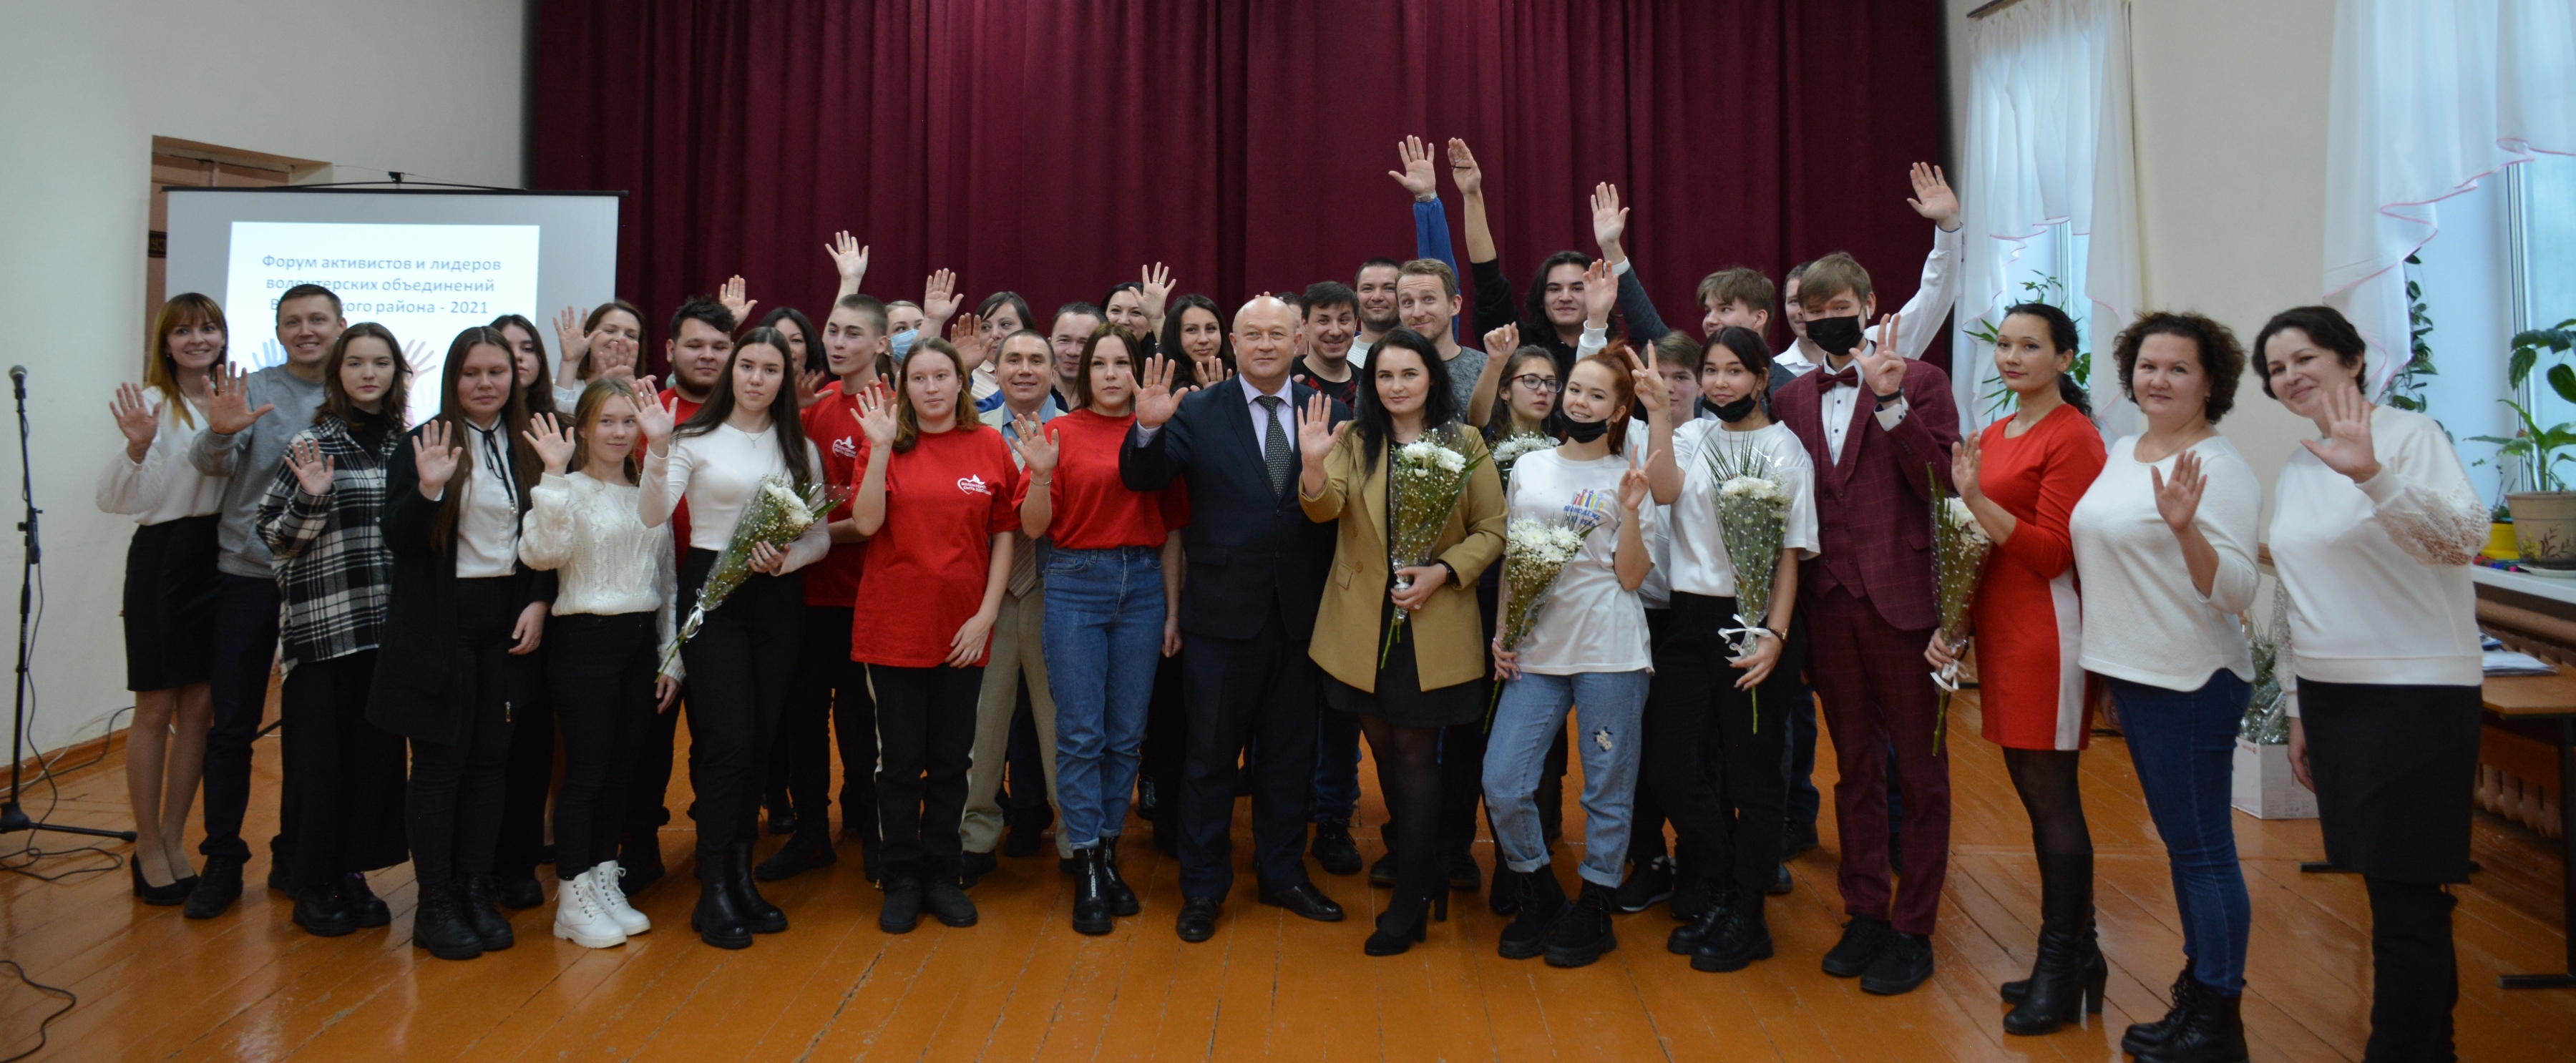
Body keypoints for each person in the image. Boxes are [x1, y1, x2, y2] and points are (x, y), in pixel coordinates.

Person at [2265, 305, 2484, 1063]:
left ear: (2352, 360)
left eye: (2304, 358)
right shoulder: (2299, 462)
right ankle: (2433, 1049)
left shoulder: (2411, 437)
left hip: (2416, 694)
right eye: (2276, 368)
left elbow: (2462, 542)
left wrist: (2376, 476)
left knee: (2407, 898)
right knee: (2391, 891)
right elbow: (2296, 594)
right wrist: (2297, 707)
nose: (2290, 376)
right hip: (2335, 696)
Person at [1121, 295, 1350, 942]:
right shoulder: (1196, 408)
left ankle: (1283, 876)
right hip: (1221, 618)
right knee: (1210, 760)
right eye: (1253, 334)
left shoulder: (1327, 408)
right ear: (1232, 343)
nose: (1267, 344)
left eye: (1279, 333)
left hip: (1302, 616)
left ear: (1299, 338)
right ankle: (1202, 889)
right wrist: (1147, 429)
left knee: (1288, 759)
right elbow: (1145, 478)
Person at [2069, 311, 2259, 1059]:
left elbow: (2239, 591)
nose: (2159, 379)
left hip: (2192, 679)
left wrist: (2186, 529)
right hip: (2139, 678)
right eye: (2149, 365)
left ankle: (2218, 1019)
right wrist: (2114, 673)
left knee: (2204, 850)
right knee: (2186, 849)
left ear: (2211, 381)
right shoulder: (2125, 450)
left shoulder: (2221, 467)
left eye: (2178, 368)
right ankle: (2201, 994)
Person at [1772, 253, 1961, 996]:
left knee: (1920, 772)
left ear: (1872, 303)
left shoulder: (1922, 381)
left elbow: (1945, 484)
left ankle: (1914, 926)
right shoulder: (1790, 401)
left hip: (1905, 606)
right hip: (1830, 604)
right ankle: (1865, 912)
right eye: (1815, 314)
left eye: (1841, 306)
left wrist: (1892, 408)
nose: (1829, 321)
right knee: (1853, 766)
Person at [1922, 304, 2109, 1033]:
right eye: (2004, 343)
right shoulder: (1995, 434)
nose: (2012, 356)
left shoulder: (2075, 436)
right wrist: (1956, 623)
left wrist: (1971, 498)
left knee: (2051, 795)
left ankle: (2062, 962)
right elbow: (1976, 546)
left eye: (2031, 346)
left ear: (2065, 359)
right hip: (2000, 627)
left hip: (2047, 629)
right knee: (2034, 794)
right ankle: (2079, 952)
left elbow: (2052, 553)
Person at [1292, 328, 1506, 955]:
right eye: (1385, 377)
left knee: (1414, 759)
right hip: (1360, 623)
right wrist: (1310, 466)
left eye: (1408, 375)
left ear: (1432, 380)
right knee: (1386, 753)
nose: (1396, 387)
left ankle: (1411, 895)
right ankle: (1429, 864)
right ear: (1371, 384)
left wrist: (1444, 572)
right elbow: (1323, 510)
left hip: (1433, 621)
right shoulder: (1354, 440)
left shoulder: (1463, 440)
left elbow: (1493, 529)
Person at [1634, 326, 1818, 976]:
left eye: (1734, 371)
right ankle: (1717, 885)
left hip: (1755, 623)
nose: (1718, 383)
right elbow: (1661, 490)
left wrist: (1775, 635)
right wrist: (1659, 412)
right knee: (1670, 762)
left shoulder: (1786, 451)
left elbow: (1792, 556)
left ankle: (1748, 915)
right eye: (1710, 371)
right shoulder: (1692, 436)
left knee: (1753, 776)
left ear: (1763, 378)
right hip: (1687, 621)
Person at [638, 326, 829, 949]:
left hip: (775, 599)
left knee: (759, 743)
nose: (756, 378)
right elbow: (652, 514)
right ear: (731, 371)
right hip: (712, 590)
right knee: (727, 740)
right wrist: (659, 448)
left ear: (784, 379)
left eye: (770, 369)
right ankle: (712, 887)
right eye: (747, 365)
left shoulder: (799, 446)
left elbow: (820, 537)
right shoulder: (691, 437)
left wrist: (788, 561)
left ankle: (741, 878)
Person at [371, 327, 553, 961]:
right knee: (442, 766)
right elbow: (397, 537)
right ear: (453, 379)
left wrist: (537, 598)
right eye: (472, 372)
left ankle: (476, 890)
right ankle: (436, 902)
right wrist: (426, 490)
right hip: (440, 627)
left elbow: (548, 530)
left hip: (506, 620)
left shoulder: (532, 443)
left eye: (497, 372)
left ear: (514, 378)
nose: (485, 384)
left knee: (489, 764)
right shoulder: (423, 443)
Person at [1485, 346, 1665, 968]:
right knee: (1504, 781)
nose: (1579, 402)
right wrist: (1503, 631)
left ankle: (1595, 904)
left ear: (1618, 411)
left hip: (1609, 651)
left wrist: (1636, 513)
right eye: (1574, 390)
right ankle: (1538, 892)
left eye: (1595, 396)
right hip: (1536, 650)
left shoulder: (1627, 473)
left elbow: (1633, 575)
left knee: (1607, 790)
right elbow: (1514, 555)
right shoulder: (1531, 467)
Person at [1014, 324, 1189, 934]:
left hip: (1142, 585)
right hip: (1074, 583)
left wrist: (1171, 610)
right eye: (1101, 364)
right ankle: (1085, 861)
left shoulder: (1159, 434)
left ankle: (1110, 851)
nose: (1112, 374)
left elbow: (1171, 535)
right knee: (1082, 733)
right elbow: (1034, 530)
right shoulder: (1058, 433)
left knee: (1125, 735)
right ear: (1084, 373)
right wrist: (1039, 474)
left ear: (1138, 371)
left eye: (1123, 363)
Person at [847, 338, 1018, 934]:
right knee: (898, 764)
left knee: (952, 764)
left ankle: (943, 875)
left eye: (942, 375)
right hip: (894, 630)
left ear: (960, 382)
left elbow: (1004, 536)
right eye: (918, 378)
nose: (932, 387)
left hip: (964, 633)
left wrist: (986, 615)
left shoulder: (990, 445)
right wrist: (875, 450)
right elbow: (866, 522)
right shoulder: (887, 445)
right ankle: (900, 878)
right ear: (903, 387)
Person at [185, 283, 343, 919]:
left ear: (340, 325)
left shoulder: (356, 389)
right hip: (248, 576)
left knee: (313, 731)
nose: (306, 330)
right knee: (233, 727)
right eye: (293, 322)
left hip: (322, 584)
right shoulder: (253, 389)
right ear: (279, 331)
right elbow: (210, 461)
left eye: (318, 320)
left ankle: (295, 851)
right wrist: (220, 434)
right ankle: (223, 859)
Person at [253, 323, 414, 939]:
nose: (368, 373)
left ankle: (352, 871)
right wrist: (311, 499)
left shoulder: (407, 442)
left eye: (381, 363)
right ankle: (311, 879)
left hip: (388, 635)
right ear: (338, 373)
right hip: (325, 633)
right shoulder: (313, 442)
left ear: (397, 373)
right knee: (319, 764)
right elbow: (276, 539)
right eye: (356, 363)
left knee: (375, 762)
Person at [519, 379, 683, 949]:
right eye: (607, 422)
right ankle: (572, 895)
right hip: (585, 639)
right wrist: (552, 477)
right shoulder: (567, 487)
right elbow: (543, 554)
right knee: (586, 774)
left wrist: (671, 655)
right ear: (584, 427)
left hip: (640, 642)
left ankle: (600, 878)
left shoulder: (646, 489)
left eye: (628, 422)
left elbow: (665, 579)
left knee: (622, 771)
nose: (618, 433)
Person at [97, 293, 229, 905]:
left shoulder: (232, 396)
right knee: (154, 709)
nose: (197, 339)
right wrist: (137, 447)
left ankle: (177, 836)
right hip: (162, 561)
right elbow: (120, 501)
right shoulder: (152, 405)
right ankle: (146, 841)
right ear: (166, 343)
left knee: (198, 709)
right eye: (183, 331)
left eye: (208, 328)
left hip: (218, 559)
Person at [761, 293, 892, 885]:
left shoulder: (890, 409)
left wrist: (812, 537)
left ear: (881, 345)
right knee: (804, 719)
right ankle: (813, 834)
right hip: (804, 596)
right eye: (832, 331)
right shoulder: (810, 406)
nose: (838, 343)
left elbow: (873, 517)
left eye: (853, 334)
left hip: (867, 595)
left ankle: (868, 824)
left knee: (865, 723)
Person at [620, 297, 739, 890]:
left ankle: (716, 853)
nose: (708, 355)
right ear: (669, 351)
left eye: (720, 346)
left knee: (718, 736)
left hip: (727, 598)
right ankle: (638, 846)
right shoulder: (645, 416)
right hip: (651, 596)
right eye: (696, 345)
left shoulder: (750, 415)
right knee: (649, 732)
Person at [961, 330, 1069, 880]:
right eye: (1014, 360)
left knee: (1063, 730)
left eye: (1036, 360)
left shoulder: (1076, 429)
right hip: (989, 595)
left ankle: (1078, 845)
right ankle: (975, 840)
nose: (1025, 370)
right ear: (995, 371)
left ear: (1054, 370)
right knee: (983, 728)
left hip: (1062, 594)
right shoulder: (972, 432)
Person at [492, 310, 565, 908]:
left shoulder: (555, 430)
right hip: (478, 606)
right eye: (501, 351)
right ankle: (476, 864)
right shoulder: (458, 434)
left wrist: (540, 597)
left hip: (541, 601)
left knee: (532, 741)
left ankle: (517, 864)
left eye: (525, 348)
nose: (516, 359)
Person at [1438, 138, 1589, 371]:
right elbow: (1488, 281)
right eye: (1554, 289)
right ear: (1541, 299)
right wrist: (1472, 196)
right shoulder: (1520, 346)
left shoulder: (1615, 354)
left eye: (1577, 288)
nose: (1565, 297)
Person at [550, 300, 648, 408]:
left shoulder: (641, 398)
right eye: (610, 331)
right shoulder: (557, 388)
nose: (621, 339)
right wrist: (570, 363)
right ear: (588, 337)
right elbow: (559, 422)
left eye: (630, 336)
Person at [1292, 281, 1362, 409]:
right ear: (1305, 324)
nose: (1335, 331)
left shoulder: (1368, 384)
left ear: (1356, 322)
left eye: (1344, 320)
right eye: (1324, 321)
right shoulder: (1287, 379)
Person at [1159, 293, 1236, 388]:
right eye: (1191, 330)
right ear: (1175, 335)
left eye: (1211, 328)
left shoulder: (1240, 376)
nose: (1203, 340)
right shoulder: (1162, 385)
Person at [1049, 301, 1106, 408]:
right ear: (1048, 345)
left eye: (1084, 343)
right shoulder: (1029, 397)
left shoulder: (1113, 402)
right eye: (1064, 340)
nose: (1073, 352)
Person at [1350, 257, 1405, 366]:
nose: (1377, 297)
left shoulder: (1422, 352)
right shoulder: (1338, 355)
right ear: (1355, 298)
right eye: (1368, 289)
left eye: (1389, 288)